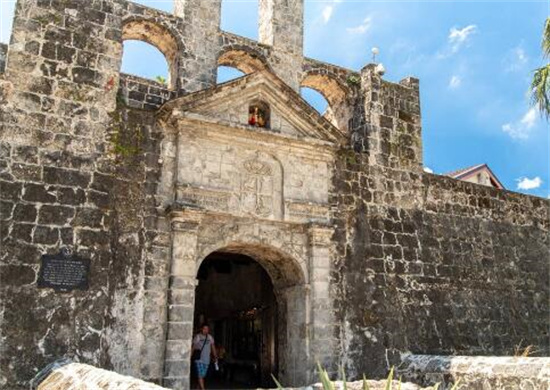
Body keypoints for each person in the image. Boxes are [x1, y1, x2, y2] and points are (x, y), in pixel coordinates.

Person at [192, 324, 218, 390]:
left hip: (207, 360)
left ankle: (197, 388)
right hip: (199, 359)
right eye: (204, 329)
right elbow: (193, 347)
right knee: (200, 375)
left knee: (202, 376)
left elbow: (213, 347)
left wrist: (215, 356)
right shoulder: (198, 337)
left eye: (207, 329)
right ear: (201, 329)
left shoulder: (210, 337)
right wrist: (190, 355)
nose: (206, 330)